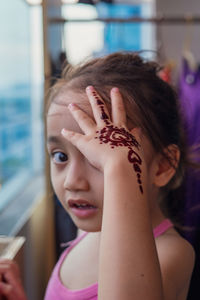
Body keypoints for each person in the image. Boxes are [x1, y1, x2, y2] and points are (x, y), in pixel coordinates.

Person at [0, 52, 195, 300]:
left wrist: (120, 170)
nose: (72, 181)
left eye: (98, 162)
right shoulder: (87, 232)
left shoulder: (171, 254)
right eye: (60, 156)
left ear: (162, 166)